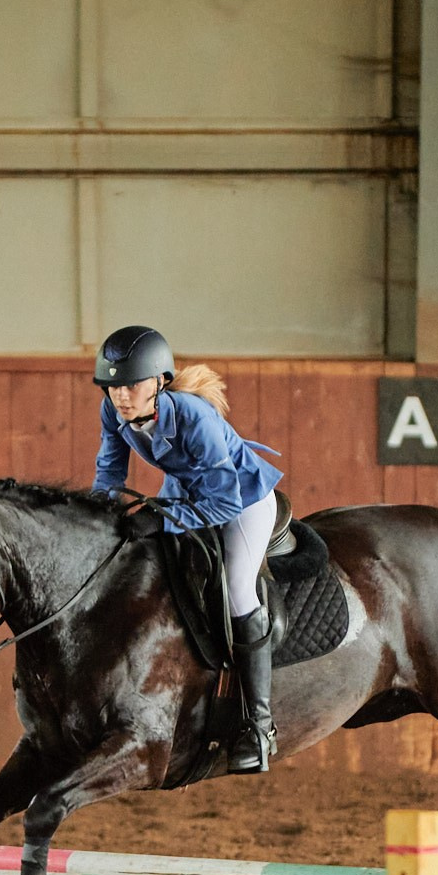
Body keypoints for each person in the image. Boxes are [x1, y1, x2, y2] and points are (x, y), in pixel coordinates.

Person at [91, 324, 285, 773]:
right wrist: (101, 517)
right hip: (184, 492)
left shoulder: (194, 417)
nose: (121, 396)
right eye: (113, 386)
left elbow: (224, 499)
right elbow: (108, 473)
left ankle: (259, 728)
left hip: (243, 498)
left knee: (238, 588)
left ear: (159, 383)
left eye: (132, 386)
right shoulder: (113, 411)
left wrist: (161, 517)